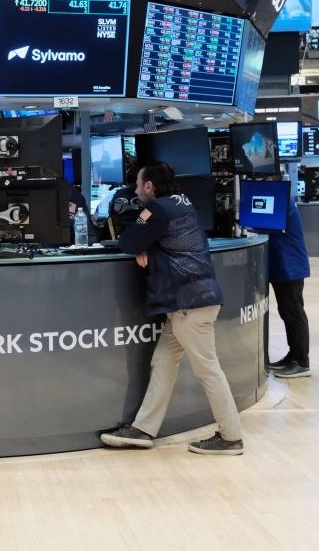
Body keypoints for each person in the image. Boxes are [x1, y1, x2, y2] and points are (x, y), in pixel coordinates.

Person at [100, 162, 243, 456]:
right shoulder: (183, 203)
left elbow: (126, 241)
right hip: (189, 302)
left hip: (189, 303)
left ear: (150, 187)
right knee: (163, 362)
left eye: (139, 185)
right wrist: (149, 248)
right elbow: (164, 241)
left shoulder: (156, 210)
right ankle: (143, 430)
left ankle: (231, 436)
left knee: (208, 369)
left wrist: (142, 246)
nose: (137, 190)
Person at [266, 197, 312, 378]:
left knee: (294, 313)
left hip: (290, 266)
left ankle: (301, 362)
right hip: (282, 266)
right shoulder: (280, 201)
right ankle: (293, 356)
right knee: (287, 313)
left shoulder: (282, 202)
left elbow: (263, 225)